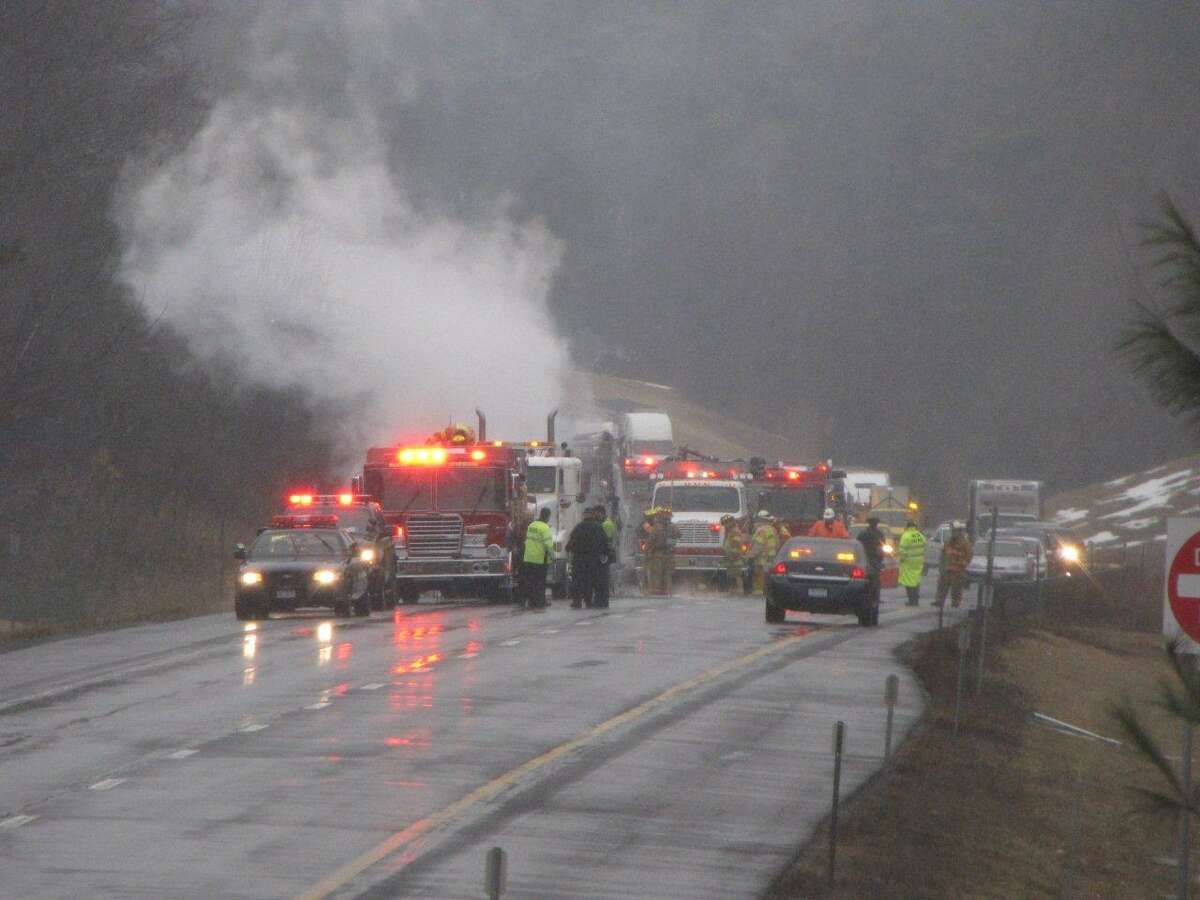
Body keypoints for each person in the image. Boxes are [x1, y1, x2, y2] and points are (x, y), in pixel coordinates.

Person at [566, 507, 609, 609]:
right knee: (590, 580)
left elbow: (570, 545)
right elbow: (604, 544)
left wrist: (570, 549)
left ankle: (577, 602)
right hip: (593, 560)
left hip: (578, 560)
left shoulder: (578, 528)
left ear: (584, 515)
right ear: (592, 515)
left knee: (577, 580)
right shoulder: (598, 527)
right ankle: (588, 601)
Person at [522, 507, 554, 610]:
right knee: (540, 582)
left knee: (530, 582)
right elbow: (548, 544)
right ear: (548, 516)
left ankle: (531, 602)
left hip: (528, 558)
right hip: (540, 559)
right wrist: (553, 556)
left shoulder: (531, 525)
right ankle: (540, 603)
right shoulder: (545, 528)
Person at [935, 521, 972, 609]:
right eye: (953, 531)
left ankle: (955, 603)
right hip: (947, 570)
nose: (953, 532)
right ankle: (939, 601)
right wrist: (942, 567)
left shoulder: (965, 543)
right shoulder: (949, 542)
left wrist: (962, 564)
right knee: (942, 586)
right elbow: (943, 554)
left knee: (956, 589)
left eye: (955, 531)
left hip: (958, 571)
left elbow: (968, 556)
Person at [856, 516, 888, 614]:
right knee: (875, 582)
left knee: (862, 580)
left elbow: (857, 546)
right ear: (876, 524)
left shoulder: (862, 534)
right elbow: (882, 549)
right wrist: (880, 560)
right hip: (874, 561)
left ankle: (863, 598)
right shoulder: (880, 534)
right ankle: (875, 599)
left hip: (864, 560)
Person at [643, 507, 677, 596]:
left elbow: (650, 541)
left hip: (658, 556)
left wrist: (646, 550)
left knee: (656, 576)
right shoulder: (673, 527)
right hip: (669, 555)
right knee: (667, 575)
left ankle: (656, 592)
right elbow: (679, 534)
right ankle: (667, 591)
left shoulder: (656, 528)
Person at [897, 520, 927, 606]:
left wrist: (901, 560)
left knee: (909, 582)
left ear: (907, 527)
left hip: (908, 562)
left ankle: (912, 601)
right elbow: (925, 545)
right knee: (916, 580)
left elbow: (902, 550)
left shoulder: (905, 536)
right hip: (919, 561)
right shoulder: (919, 535)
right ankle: (915, 599)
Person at [750, 511, 781, 593]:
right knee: (769, 576)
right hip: (772, 558)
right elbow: (778, 544)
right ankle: (768, 591)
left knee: (759, 576)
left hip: (761, 559)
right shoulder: (773, 530)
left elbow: (757, 546)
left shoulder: (761, 530)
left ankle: (759, 592)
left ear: (761, 520)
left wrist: (750, 556)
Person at [720, 513, 747, 593]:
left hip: (735, 559)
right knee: (732, 575)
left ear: (729, 523)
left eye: (725, 524)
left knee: (736, 575)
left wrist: (733, 556)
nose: (724, 526)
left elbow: (736, 546)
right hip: (731, 558)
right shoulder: (730, 532)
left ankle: (738, 590)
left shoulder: (734, 532)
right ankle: (733, 590)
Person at [596, 505, 617, 607]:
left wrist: (602, 554)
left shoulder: (607, 524)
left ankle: (603, 600)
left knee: (603, 578)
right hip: (605, 554)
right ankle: (602, 599)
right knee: (602, 578)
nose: (596, 516)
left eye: (597, 514)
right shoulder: (605, 523)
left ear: (601, 513)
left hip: (605, 555)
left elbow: (607, 541)